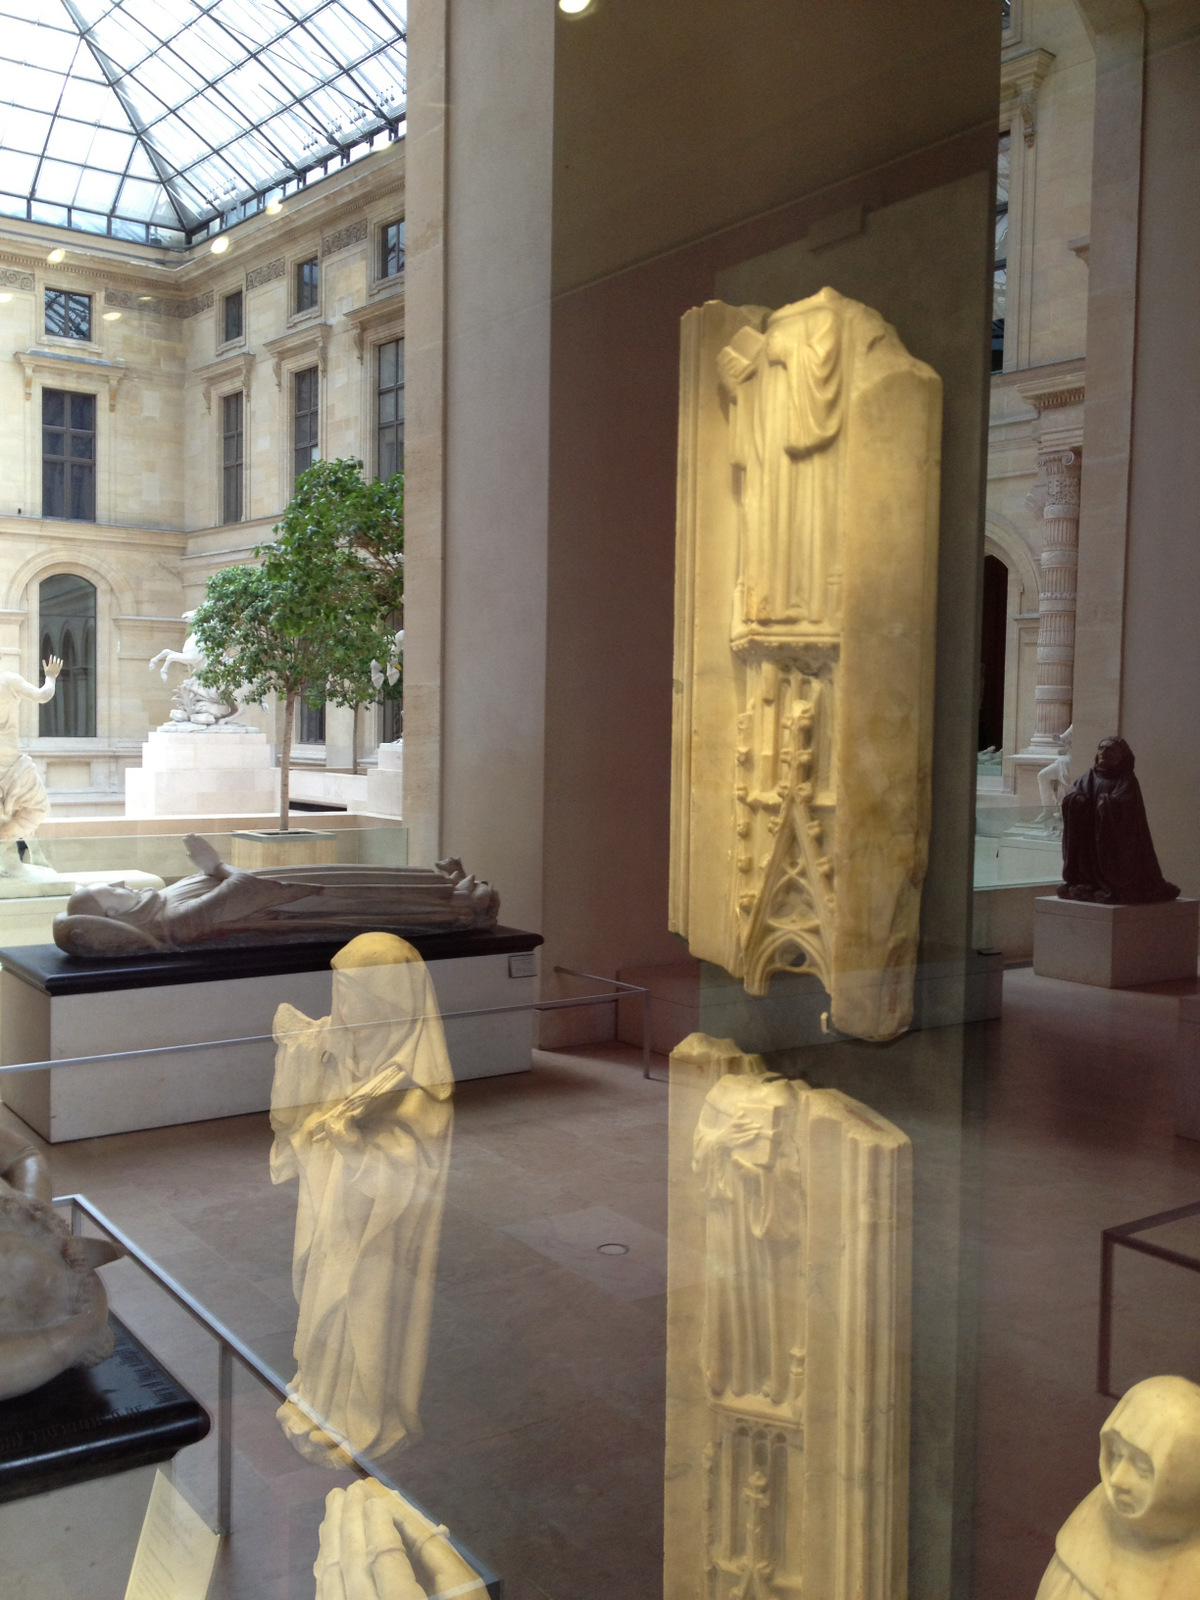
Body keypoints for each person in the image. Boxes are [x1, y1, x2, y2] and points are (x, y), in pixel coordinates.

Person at [270, 932, 455, 1468]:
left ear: (388, 1006)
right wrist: (311, 1107)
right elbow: (297, 1119)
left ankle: (361, 1416)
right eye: (340, 991)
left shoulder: (421, 1091)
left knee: (364, 1318)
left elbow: (411, 1183)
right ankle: (317, 1396)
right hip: (335, 1213)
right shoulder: (341, 1048)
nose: (343, 1009)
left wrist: (352, 1144)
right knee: (321, 1311)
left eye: (355, 997)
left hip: (379, 1237)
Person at [1035, 1375, 1200, 1599]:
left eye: (1142, 1469)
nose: (1116, 1480)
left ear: (1185, 1483)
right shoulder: (1091, 1526)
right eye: (1117, 1455)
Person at [1058, 737, 1179, 903]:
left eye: (1110, 749)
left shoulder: (1126, 780)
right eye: (1101, 748)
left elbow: (1126, 806)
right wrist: (1077, 800)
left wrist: (1106, 804)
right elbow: (1071, 796)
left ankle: (1112, 883)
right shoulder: (1088, 776)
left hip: (1113, 840)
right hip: (1089, 838)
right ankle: (1088, 882)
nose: (1104, 752)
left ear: (1122, 756)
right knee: (1086, 860)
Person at [0, 655, 61, 852]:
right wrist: (51, 677)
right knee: (37, 807)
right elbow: (43, 695)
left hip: (12, 763)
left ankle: (11, 845)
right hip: (11, 764)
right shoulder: (8, 680)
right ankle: (7, 840)